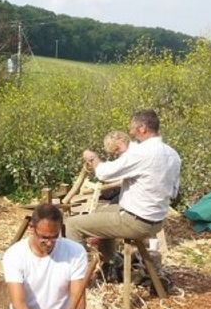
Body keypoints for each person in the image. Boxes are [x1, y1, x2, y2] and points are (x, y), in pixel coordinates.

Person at [65, 109, 181, 265]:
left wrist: (92, 157)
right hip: (157, 221)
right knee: (101, 211)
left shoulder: (141, 152)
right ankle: (111, 263)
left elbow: (104, 173)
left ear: (142, 128)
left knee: (72, 225)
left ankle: (78, 275)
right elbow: (173, 193)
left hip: (136, 221)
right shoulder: (173, 154)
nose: (130, 132)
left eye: (132, 128)